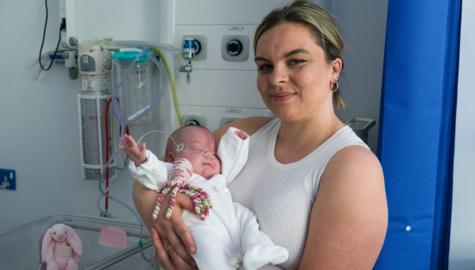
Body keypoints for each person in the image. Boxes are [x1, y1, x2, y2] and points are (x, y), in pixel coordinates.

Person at [132, 0, 388, 269]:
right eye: (265, 66)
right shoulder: (244, 133)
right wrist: (159, 212)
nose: (276, 77)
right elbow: (147, 176)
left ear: (334, 69)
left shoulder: (353, 169)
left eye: (296, 61)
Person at [121, 125, 288, 269]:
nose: (209, 155)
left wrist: (237, 141)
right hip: (201, 227)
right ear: (173, 158)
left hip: (230, 219)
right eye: (198, 149)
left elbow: (232, 159)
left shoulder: (217, 179)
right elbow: (153, 172)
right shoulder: (174, 172)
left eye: (212, 152)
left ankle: (257, 248)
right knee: (207, 250)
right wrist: (143, 160)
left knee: (247, 217)